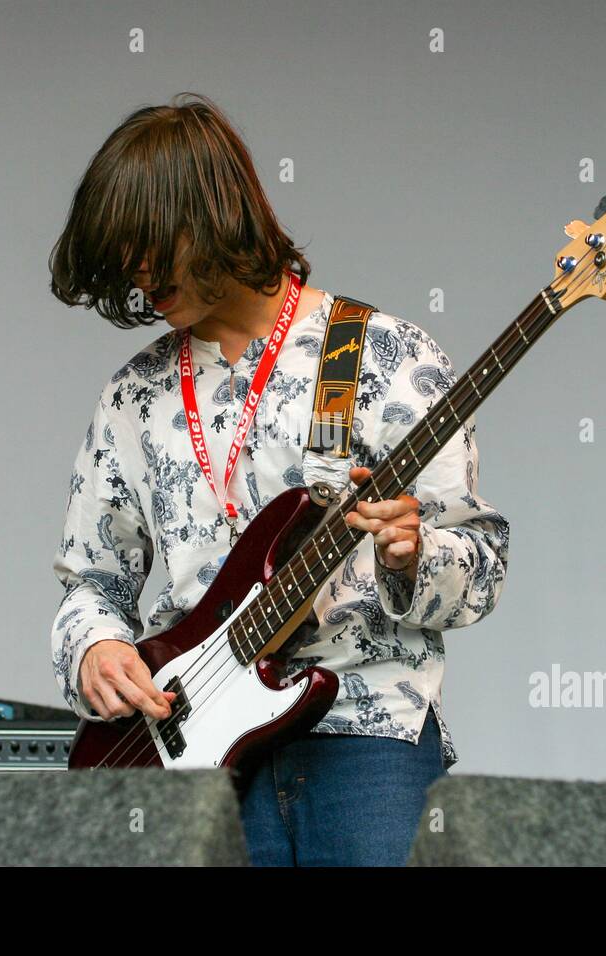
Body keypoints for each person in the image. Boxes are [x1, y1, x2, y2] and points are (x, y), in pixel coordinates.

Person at [47, 92, 510, 866]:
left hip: (367, 738)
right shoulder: (134, 396)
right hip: (192, 747)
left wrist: (412, 554)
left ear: (212, 214)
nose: (137, 272)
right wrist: (96, 649)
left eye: (149, 244)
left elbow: (483, 567)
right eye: (124, 255)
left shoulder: (383, 360)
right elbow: (90, 581)